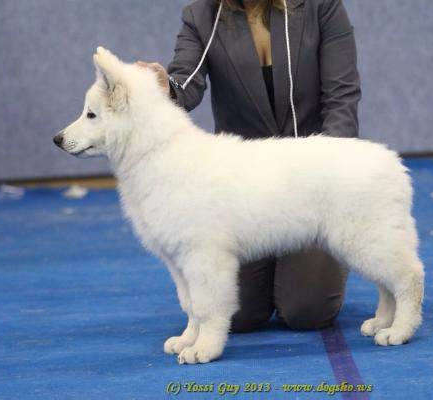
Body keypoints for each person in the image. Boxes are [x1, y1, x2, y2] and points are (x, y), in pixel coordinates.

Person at [139, 0, 361, 332]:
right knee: (238, 316)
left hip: (309, 184)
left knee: (307, 310)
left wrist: (334, 174)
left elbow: (342, 96)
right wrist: (163, 87)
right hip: (244, 192)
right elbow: (185, 83)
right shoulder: (201, 15)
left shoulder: (321, 6)